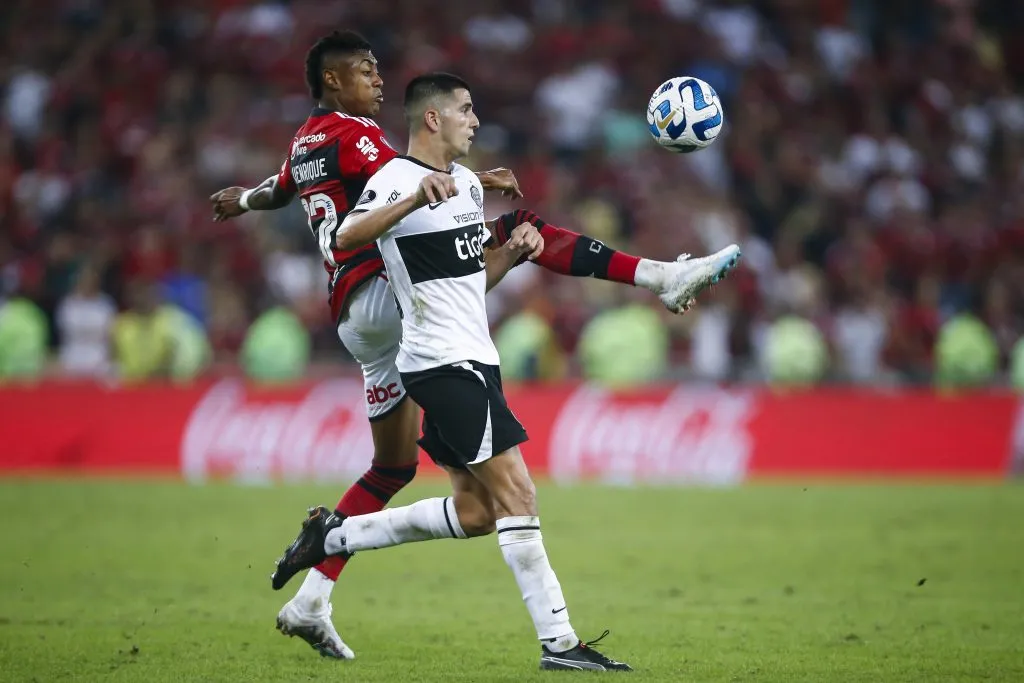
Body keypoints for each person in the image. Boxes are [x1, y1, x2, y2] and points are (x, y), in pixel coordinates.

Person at [210, 30, 741, 659]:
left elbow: (280, 190)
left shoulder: (304, 143)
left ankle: (313, 592)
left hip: (357, 316)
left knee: (401, 470)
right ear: (333, 80)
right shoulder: (360, 136)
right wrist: (453, 181)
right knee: (519, 228)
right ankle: (660, 277)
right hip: (380, 296)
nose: (377, 80)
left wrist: (242, 200)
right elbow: (389, 194)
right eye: (366, 70)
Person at [272, 72, 634, 671]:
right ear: (433, 118)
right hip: (440, 361)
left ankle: (332, 537)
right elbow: (343, 238)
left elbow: (465, 282)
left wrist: (512, 251)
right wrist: (414, 197)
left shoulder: (464, 184)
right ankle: (560, 644)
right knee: (519, 492)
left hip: (471, 357)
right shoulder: (393, 175)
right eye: (466, 109)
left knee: (476, 512)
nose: (476, 120)